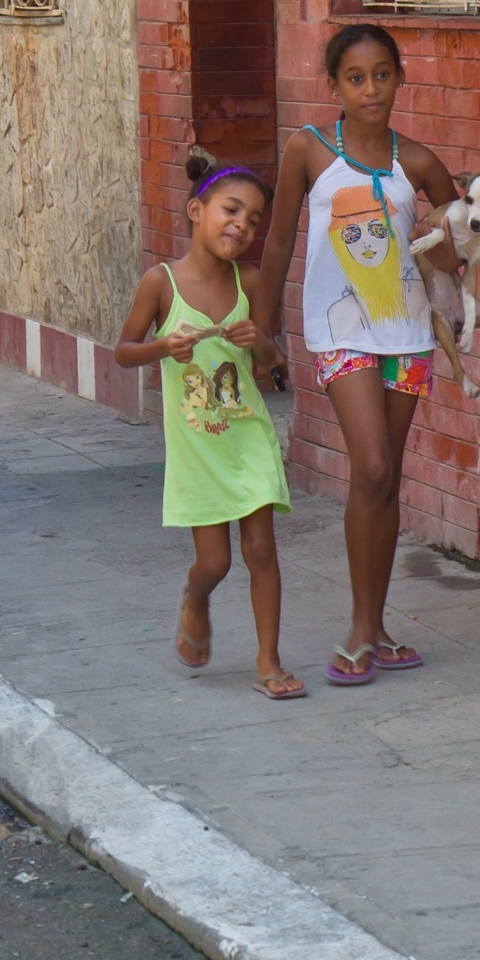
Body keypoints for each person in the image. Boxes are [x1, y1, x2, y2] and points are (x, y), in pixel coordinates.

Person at [258, 23, 463, 686]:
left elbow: (457, 245)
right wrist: (268, 329)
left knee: (386, 476)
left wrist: (442, 241)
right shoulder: (309, 152)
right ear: (335, 86)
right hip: (340, 330)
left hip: (407, 333)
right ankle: (357, 625)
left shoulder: (421, 163)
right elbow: (279, 240)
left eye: (382, 75)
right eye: (355, 77)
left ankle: (377, 627)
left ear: (399, 78)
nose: (370, 89)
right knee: (369, 462)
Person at [115, 157, 301, 700]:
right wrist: (161, 347)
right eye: (231, 210)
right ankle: (195, 600)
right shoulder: (161, 284)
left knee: (262, 550)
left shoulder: (250, 280)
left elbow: (272, 360)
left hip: (248, 438)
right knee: (215, 562)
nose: (242, 226)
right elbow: (124, 352)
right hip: (197, 447)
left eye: (254, 219)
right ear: (197, 211)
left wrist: (260, 344)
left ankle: (269, 661)